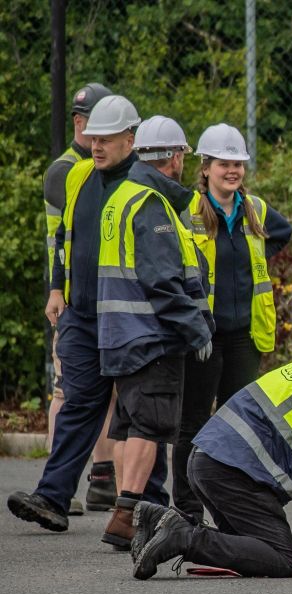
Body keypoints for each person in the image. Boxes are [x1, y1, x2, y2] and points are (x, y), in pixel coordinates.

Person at [8, 95, 173, 535]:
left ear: (130, 140)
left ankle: (148, 507)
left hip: (130, 318)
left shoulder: (143, 184)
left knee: (140, 413)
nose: (96, 146)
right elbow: (65, 235)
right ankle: (52, 497)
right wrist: (57, 286)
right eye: (93, 138)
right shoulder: (79, 176)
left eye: (107, 139)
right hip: (81, 314)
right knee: (79, 404)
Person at [129, 311, 292, 580]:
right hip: (231, 473)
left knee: (250, 548)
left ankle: (156, 520)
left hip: (207, 462)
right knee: (281, 558)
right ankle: (181, 536)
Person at [93, 111, 214, 550]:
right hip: (150, 336)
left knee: (127, 426)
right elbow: (162, 280)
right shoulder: (151, 203)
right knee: (150, 425)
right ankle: (126, 516)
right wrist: (195, 328)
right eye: (183, 153)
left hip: (119, 333)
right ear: (176, 157)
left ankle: (124, 516)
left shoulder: (121, 195)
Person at [173, 123, 292, 522]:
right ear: (205, 167)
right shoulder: (187, 209)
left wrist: (253, 260)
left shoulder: (254, 209)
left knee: (236, 424)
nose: (233, 171)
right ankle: (188, 509)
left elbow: (283, 233)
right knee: (193, 423)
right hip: (204, 335)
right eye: (224, 163)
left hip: (244, 336)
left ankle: (227, 506)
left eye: (238, 163)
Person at [41, 82, 118, 515]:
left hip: (94, 297)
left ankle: (102, 479)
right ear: (78, 123)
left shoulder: (100, 167)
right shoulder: (67, 170)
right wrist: (57, 291)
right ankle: (61, 489)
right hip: (69, 300)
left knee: (100, 394)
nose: (102, 136)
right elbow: (68, 237)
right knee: (66, 392)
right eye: (96, 127)